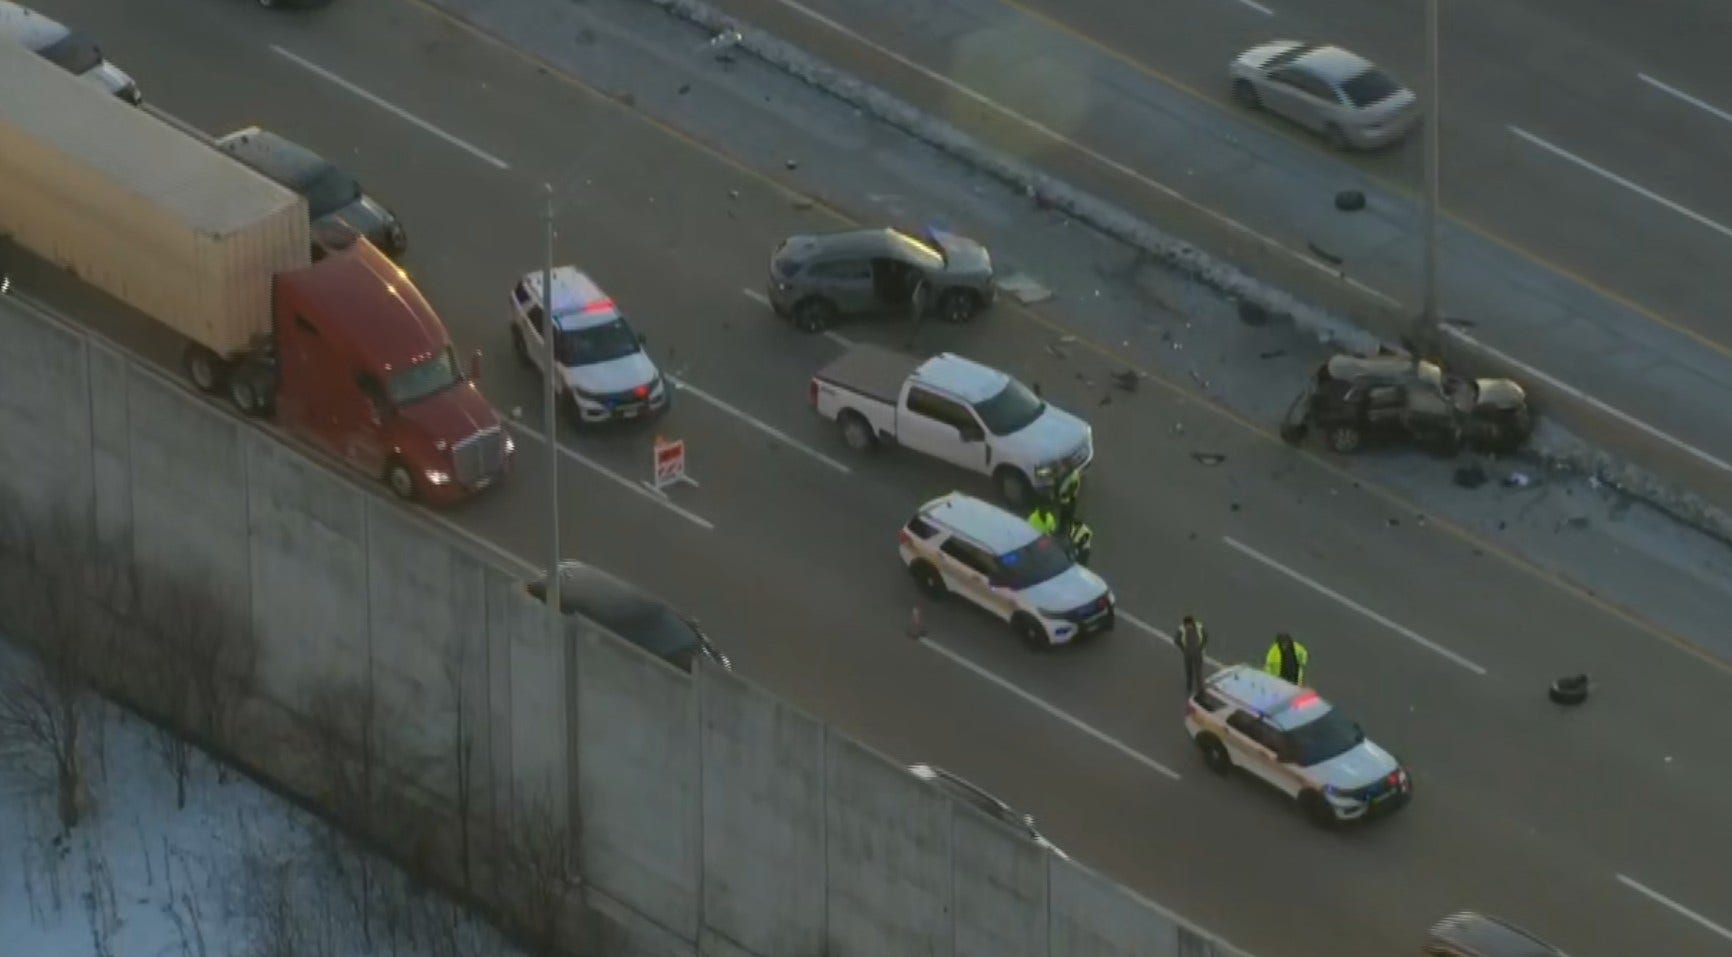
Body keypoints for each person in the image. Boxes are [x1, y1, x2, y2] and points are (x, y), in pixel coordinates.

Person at [1176, 615, 1209, 696]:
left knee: (1198, 672)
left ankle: (1200, 689)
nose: (1188, 627)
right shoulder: (1181, 629)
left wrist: (1201, 647)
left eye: (1189, 625)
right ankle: (1189, 685)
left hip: (1197, 652)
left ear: (1192, 623)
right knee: (1189, 670)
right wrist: (1184, 649)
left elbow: (1205, 637)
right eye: (1187, 626)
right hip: (1188, 652)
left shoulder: (1199, 626)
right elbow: (1177, 640)